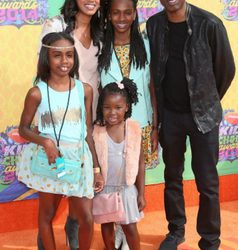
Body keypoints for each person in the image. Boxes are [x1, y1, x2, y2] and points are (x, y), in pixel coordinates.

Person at [146, 1, 235, 250]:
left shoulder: (210, 24)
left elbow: (226, 70)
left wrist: (205, 100)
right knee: (171, 176)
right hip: (170, 116)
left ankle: (209, 240)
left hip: (203, 117)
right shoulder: (154, 25)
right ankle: (175, 231)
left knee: (207, 183)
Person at [17, 32, 104, 250]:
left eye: (69, 55)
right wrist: (45, 142)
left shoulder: (84, 90)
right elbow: (23, 129)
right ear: (47, 58)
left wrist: (96, 168)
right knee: (46, 215)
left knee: (86, 218)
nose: (64, 62)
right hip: (51, 160)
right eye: (57, 56)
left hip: (78, 158)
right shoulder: (37, 93)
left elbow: (87, 131)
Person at [39, 1, 104, 248]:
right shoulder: (56, 25)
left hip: (85, 125)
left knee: (79, 190)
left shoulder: (101, 30)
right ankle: (45, 243)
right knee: (52, 193)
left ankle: (72, 233)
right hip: (58, 124)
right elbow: (45, 71)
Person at [99, 0, 158, 247]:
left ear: (135, 14)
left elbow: (152, 85)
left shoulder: (145, 44)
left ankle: (125, 227)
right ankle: (114, 225)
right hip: (110, 126)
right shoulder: (100, 45)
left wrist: (155, 125)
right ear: (109, 15)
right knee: (111, 177)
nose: (121, 18)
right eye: (115, 13)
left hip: (139, 123)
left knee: (132, 178)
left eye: (127, 12)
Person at [93, 78, 146, 250]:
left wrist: (141, 194)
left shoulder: (134, 129)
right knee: (106, 226)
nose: (112, 112)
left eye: (118, 107)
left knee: (130, 228)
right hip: (105, 188)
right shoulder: (97, 131)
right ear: (101, 107)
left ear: (127, 107)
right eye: (107, 107)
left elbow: (141, 164)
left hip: (127, 189)